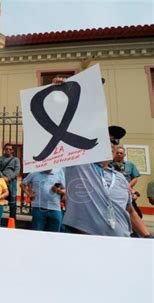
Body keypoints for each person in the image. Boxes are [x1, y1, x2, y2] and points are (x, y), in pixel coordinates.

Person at [51, 77, 150, 237]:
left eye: (114, 141)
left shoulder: (120, 178)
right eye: (105, 138)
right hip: (85, 244)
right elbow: (65, 125)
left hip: (121, 245)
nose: (111, 143)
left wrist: (147, 236)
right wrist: (64, 94)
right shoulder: (79, 165)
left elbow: (130, 210)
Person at [0, 143, 21, 219]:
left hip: (12, 182)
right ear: (4, 150)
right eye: (6, 149)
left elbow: (17, 171)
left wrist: (8, 178)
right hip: (0, 181)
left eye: (10, 149)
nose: (8, 150)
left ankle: (12, 220)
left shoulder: (16, 160)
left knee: (12, 202)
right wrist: (3, 178)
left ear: (12, 150)